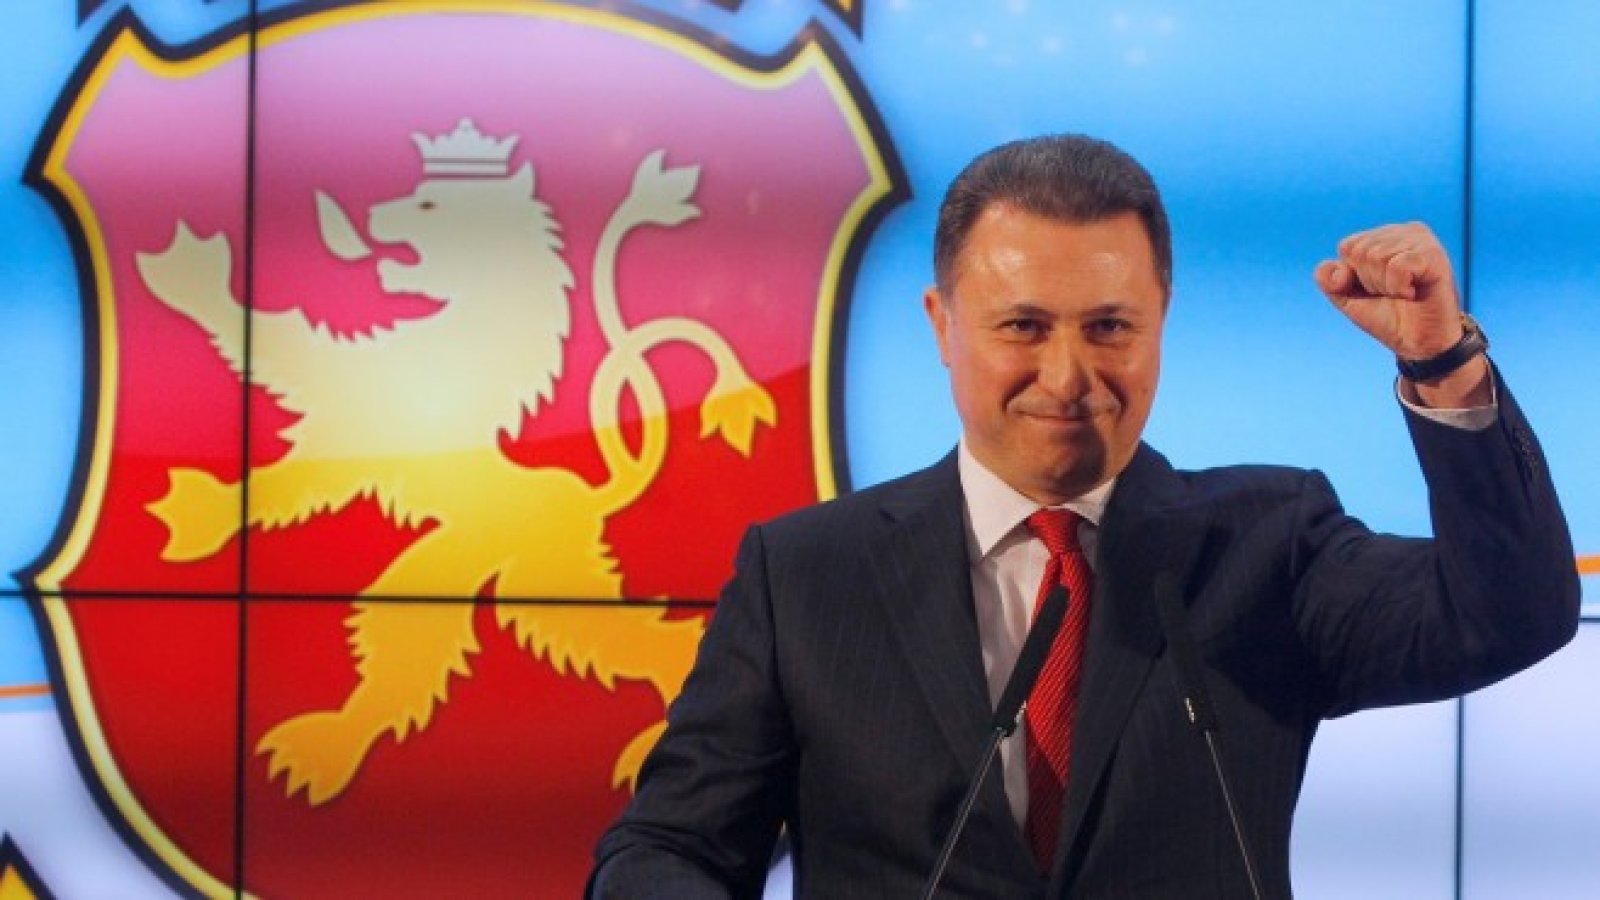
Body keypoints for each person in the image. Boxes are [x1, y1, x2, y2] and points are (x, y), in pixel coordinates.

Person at [588, 135, 1580, 899]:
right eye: (1022, 326)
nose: (1067, 377)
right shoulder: (808, 573)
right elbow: (669, 847)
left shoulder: (1268, 543)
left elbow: (1509, 614)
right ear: (942, 325)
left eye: (1109, 327)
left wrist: (1443, 363)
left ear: (1161, 320)